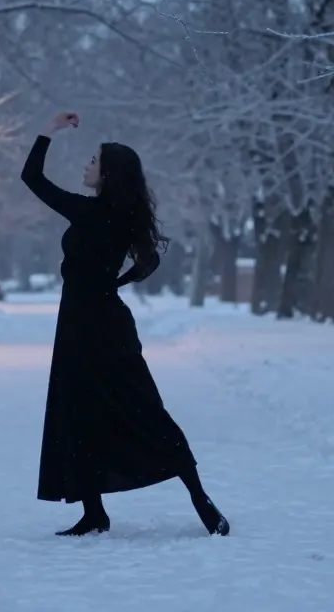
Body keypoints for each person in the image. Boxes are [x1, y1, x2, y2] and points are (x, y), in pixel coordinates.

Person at [20, 111, 230, 538]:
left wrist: (48, 130)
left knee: (102, 410)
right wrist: (113, 284)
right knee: (132, 409)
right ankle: (186, 502)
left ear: (109, 174)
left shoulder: (88, 212)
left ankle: (121, 509)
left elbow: (32, 177)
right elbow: (147, 263)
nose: (86, 166)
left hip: (84, 323)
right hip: (105, 320)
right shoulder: (124, 216)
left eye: (93, 161)